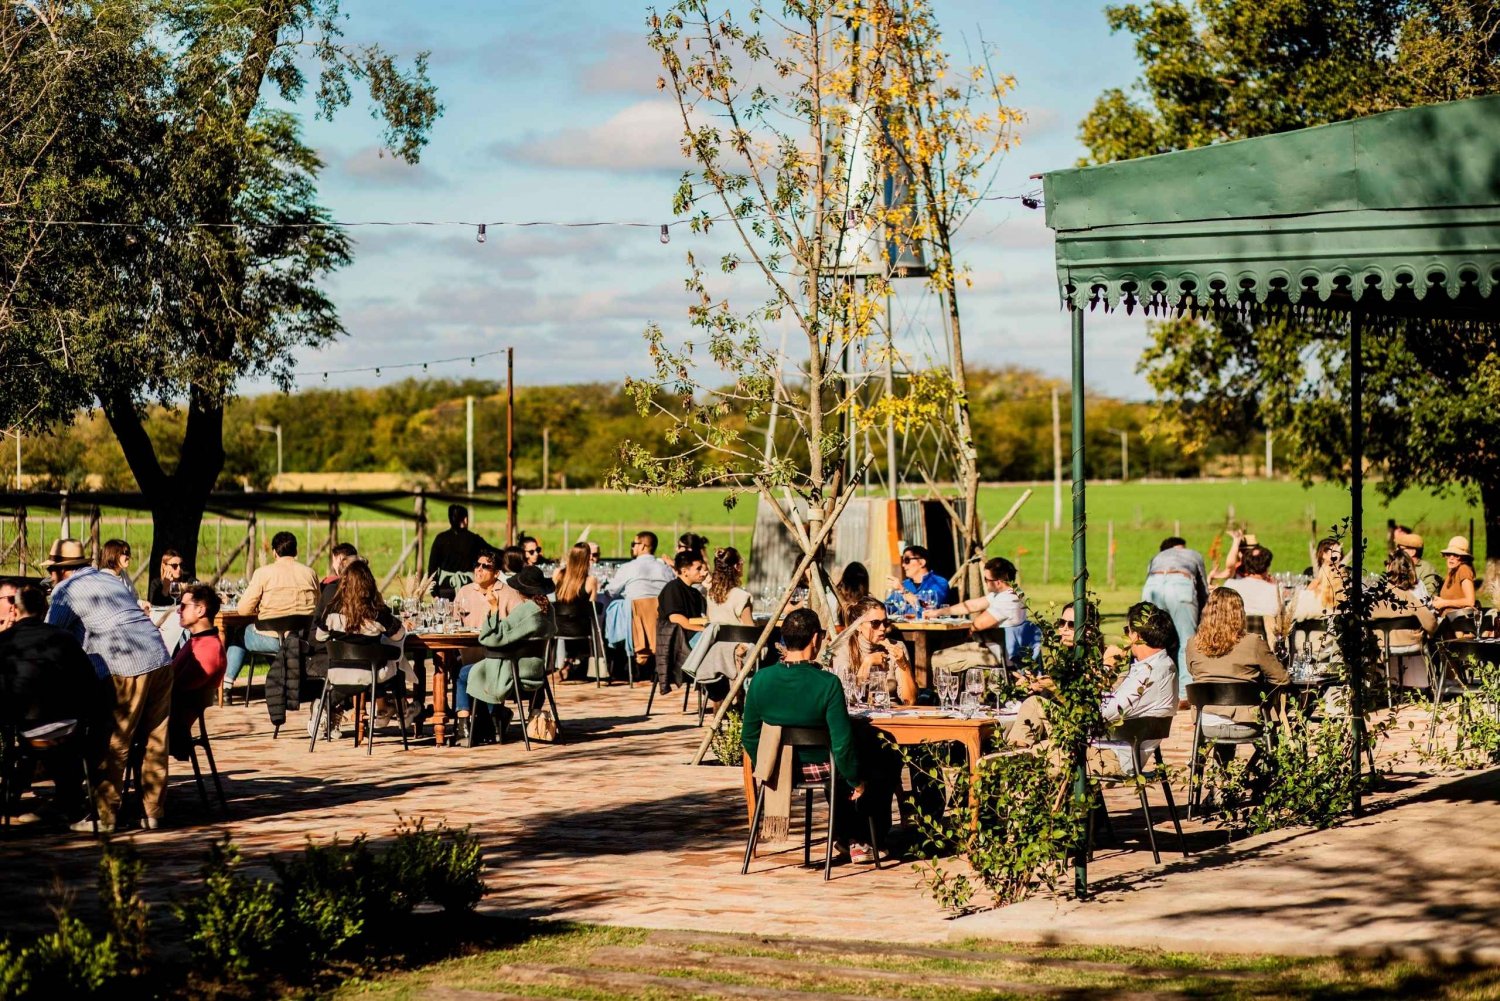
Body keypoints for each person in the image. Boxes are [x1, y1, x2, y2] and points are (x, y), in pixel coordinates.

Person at [740, 608, 893, 865]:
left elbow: (749, 734)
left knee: (849, 765)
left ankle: (848, 838)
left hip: (779, 769)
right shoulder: (827, 683)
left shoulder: (760, 680)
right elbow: (842, 743)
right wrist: (856, 780)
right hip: (823, 767)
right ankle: (862, 840)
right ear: (815, 639)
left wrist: (770, 764)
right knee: (877, 762)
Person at [43, 538, 172, 833]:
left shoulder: (66, 591)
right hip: (160, 658)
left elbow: (49, 636)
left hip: (128, 666)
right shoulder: (106, 578)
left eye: (52, 570)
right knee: (155, 739)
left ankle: (104, 816)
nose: (51, 576)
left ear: (61, 571)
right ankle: (153, 812)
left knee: (115, 741)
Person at [1007, 602, 1178, 776]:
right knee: (1034, 706)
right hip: (1109, 745)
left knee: (1020, 758)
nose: (1124, 636)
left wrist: (1104, 668)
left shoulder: (1149, 673)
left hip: (1110, 755)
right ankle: (1016, 749)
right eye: (1061, 623)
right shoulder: (1157, 666)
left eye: (1127, 630)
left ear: (1136, 636)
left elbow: (1097, 715)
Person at [0, 581, 99, 824]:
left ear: (16, 610)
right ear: (44, 610)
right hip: (69, 728)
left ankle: (12, 797)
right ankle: (70, 799)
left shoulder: (5, 643)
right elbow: (90, 684)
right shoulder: (65, 639)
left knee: (19, 739)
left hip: (26, 729)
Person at [461, 566, 556, 746]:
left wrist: (494, 608)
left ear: (521, 590)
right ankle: (491, 722)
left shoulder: (526, 611)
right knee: (477, 671)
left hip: (514, 673)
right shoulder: (547, 609)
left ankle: (477, 725)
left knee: (464, 674)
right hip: (536, 672)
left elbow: (490, 638)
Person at [1184, 588, 1289, 749]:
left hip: (1206, 723)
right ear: (1239, 613)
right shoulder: (1253, 642)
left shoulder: (1192, 643)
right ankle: (1266, 768)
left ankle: (1222, 770)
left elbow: (1194, 673)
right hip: (1246, 724)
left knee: (1221, 701)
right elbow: (1282, 679)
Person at [314, 560, 410, 733]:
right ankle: (394, 707)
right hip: (370, 675)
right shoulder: (377, 612)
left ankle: (326, 706)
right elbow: (400, 634)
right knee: (394, 659)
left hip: (337, 673)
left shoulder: (332, 610)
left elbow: (319, 636)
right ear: (369, 584)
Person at [224, 531, 320, 690]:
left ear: (274, 552)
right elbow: (317, 605)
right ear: (296, 551)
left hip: (272, 639)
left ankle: (226, 686)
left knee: (240, 634)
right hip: (301, 639)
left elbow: (242, 609)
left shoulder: (263, 573)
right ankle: (281, 680)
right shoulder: (310, 573)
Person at [1141, 536, 1208, 697]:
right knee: (1187, 641)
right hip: (1180, 584)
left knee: (1149, 639)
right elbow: (1203, 589)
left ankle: (1148, 688)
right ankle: (1185, 693)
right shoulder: (1194, 554)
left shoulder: (1157, 557)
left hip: (1152, 585)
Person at [168, 584, 227, 759]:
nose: (179, 611)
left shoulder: (208, 649)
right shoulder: (199, 641)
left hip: (170, 726)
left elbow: (178, 688)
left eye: (184, 606)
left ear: (200, 610)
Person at [828, 597, 917, 705]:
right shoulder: (843, 649)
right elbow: (846, 698)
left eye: (885, 622)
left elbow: (910, 701)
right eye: (875, 623)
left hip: (891, 714)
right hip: (857, 716)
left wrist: (903, 664)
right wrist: (867, 662)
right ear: (858, 626)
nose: (883, 628)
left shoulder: (897, 647)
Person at [1372, 550, 1439, 689]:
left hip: (1383, 645)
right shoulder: (1411, 596)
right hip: (1410, 643)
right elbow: (1431, 623)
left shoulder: (1377, 596)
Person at [655, 550, 708, 691]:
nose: (704, 572)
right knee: (715, 647)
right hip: (679, 639)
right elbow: (677, 619)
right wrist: (705, 630)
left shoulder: (696, 593)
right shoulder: (673, 588)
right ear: (685, 571)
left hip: (693, 635)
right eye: (698, 568)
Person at [552, 543, 600, 677]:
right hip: (581, 629)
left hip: (559, 627)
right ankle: (577, 661)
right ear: (586, 559)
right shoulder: (591, 581)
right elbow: (593, 607)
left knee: (570, 619)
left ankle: (569, 661)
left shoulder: (557, 574)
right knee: (591, 620)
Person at [427, 505, 492, 600]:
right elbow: (492, 552)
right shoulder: (474, 539)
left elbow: (432, 568)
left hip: (445, 589)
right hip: (467, 588)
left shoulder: (440, 539)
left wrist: (435, 593)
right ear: (465, 519)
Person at [602, 531, 676, 602]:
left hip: (634, 614)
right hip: (659, 613)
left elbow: (611, 592)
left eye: (634, 544)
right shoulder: (667, 570)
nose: (632, 547)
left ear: (642, 546)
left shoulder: (627, 568)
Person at [887, 545, 954, 613]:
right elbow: (887, 609)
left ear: (922, 562)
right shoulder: (905, 584)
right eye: (903, 561)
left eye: (907, 560)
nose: (903, 565)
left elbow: (928, 612)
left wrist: (903, 591)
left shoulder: (939, 583)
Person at [1432, 536, 1478, 626]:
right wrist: (1441, 600)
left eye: (1456, 555)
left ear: (1464, 558)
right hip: (1448, 620)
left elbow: (1470, 601)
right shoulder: (1452, 571)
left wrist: (1444, 603)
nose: (1451, 558)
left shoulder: (1463, 569)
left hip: (1458, 624)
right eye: (1449, 554)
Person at [454, 548, 504, 629]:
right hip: (467, 640)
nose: (479, 569)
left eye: (485, 566)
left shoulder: (508, 594)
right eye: (477, 565)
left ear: (496, 573)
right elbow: (454, 622)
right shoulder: (464, 591)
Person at [706, 547, 753, 626]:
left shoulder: (711, 594)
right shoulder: (742, 596)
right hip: (739, 637)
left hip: (716, 638)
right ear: (736, 566)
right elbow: (749, 628)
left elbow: (709, 621)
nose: (743, 564)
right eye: (741, 561)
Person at [1394, 529, 1443, 599]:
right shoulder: (1400, 566)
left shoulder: (1427, 570)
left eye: (1401, 549)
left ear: (1412, 552)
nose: (1397, 552)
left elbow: (1430, 596)